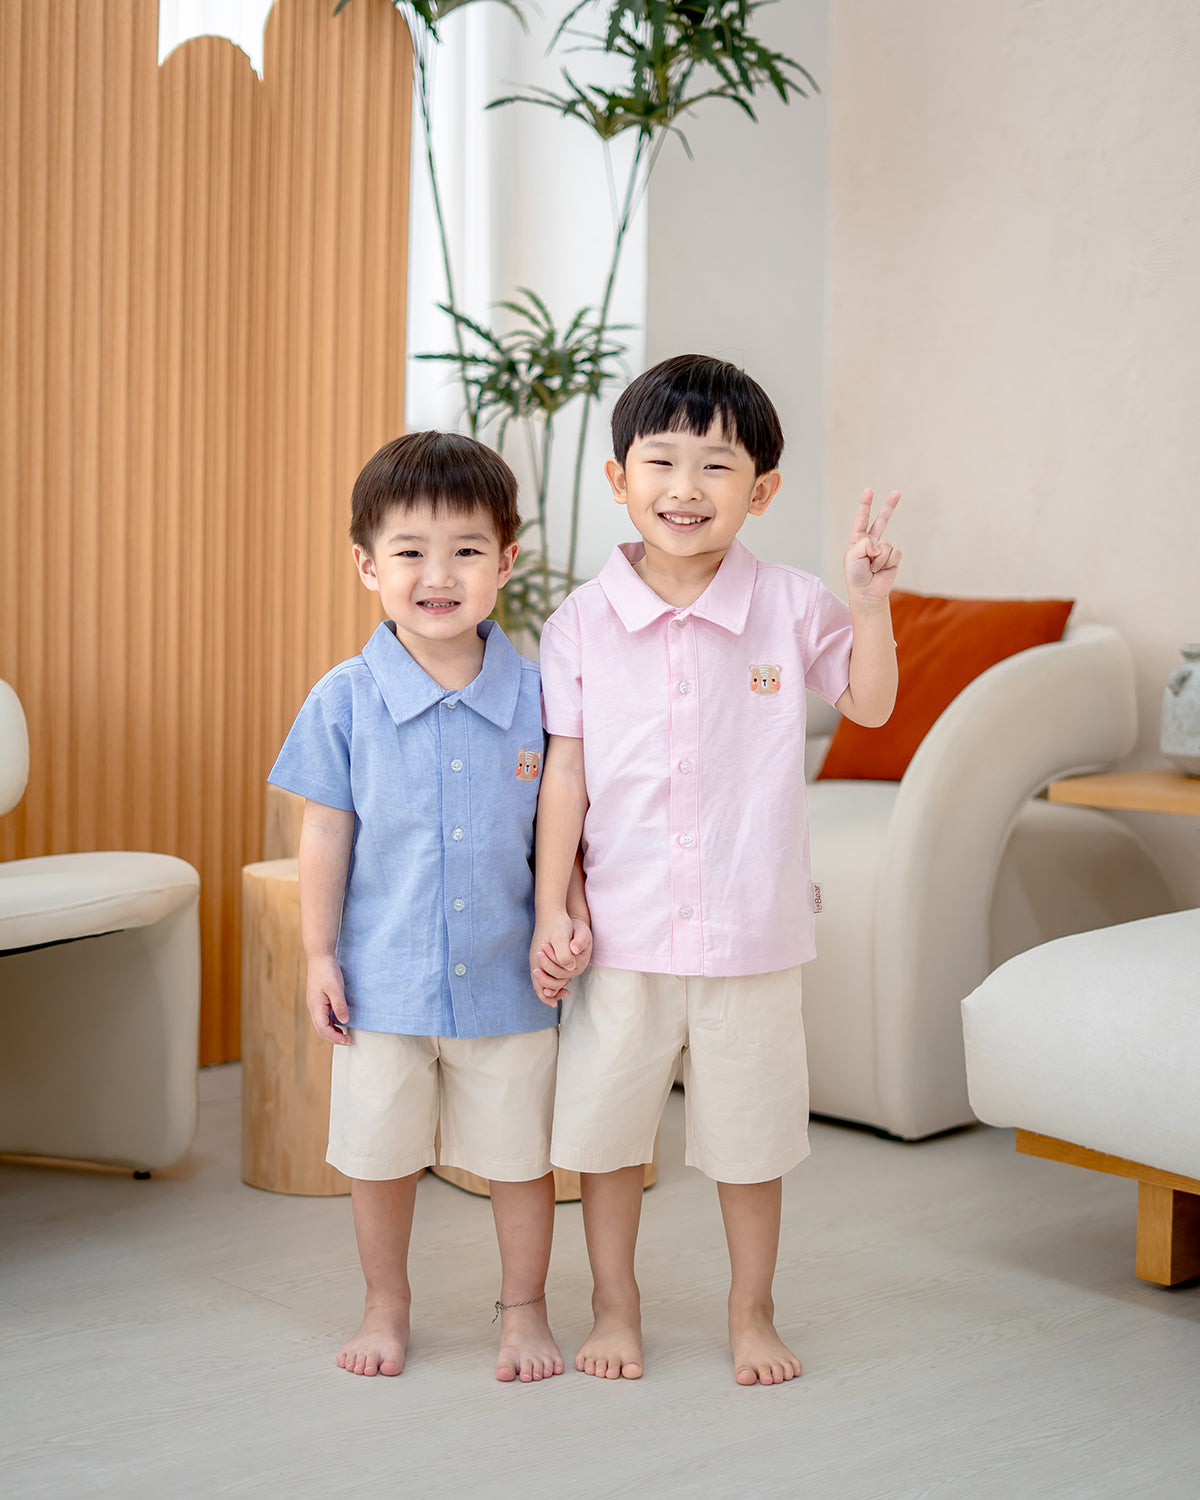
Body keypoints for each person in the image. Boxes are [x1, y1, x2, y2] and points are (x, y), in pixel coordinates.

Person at [529, 354, 900, 1386]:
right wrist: (550, 904)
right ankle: (615, 1305)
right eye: (662, 462)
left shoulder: (791, 604)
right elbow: (566, 773)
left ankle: (753, 1310)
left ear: (761, 490)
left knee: (751, 1141)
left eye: (716, 466)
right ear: (619, 479)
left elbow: (868, 707)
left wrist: (868, 604)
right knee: (606, 1140)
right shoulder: (580, 623)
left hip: (752, 932)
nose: (686, 489)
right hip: (622, 933)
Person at [270, 430, 589, 1383]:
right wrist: (321, 955)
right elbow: (324, 835)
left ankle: (523, 1310)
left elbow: (563, 827)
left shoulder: (543, 696)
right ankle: (386, 1306)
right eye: (409, 551)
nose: (436, 574)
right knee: (380, 1158)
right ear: (367, 565)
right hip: (386, 982)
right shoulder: (344, 698)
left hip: (509, 982)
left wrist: (565, 910)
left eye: (465, 551)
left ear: (506, 563)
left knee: (519, 1161)